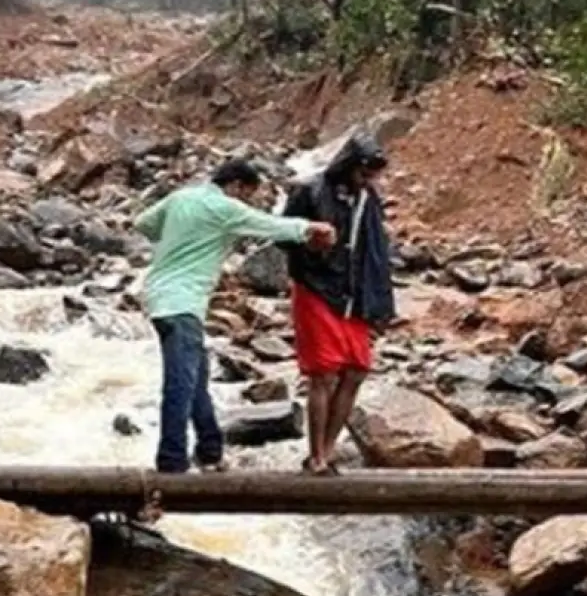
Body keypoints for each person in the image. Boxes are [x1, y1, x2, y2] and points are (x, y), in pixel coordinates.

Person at [135, 159, 335, 475]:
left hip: (160, 297)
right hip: (183, 301)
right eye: (247, 195)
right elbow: (268, 224)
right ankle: (171, 463)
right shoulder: (224, 208)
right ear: (237, 186)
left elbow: (143, 224)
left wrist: (178, 240)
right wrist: (311, 228)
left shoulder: (181, 198)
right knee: (181, 385)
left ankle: (210, 450)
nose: (244, 203)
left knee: (196, 379)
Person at [282, 132, 396, 474]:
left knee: (356, 371)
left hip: (355, 293)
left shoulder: (368, 198)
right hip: (317, 288)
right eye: (364, 173)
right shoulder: (310, 191)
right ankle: (315, 455)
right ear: (349, 166)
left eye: (372, 175)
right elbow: (281, 234)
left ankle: (329, 450)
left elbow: (375, 251)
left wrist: (380, 304)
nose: (368, 180)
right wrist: (309, 243)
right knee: (324, 375)